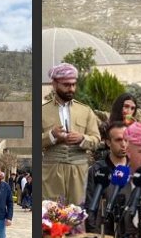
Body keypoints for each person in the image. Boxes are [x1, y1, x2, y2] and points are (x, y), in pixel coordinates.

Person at [41, 63, 101, 206]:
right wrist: (51, 136)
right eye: (66, 85)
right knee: (51, 215)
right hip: (52, 171)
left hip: (79, 170)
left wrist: (82, 139)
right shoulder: (42, 111)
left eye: (74, 85)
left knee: (77, 215)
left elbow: (96, 140)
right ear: (54, 84)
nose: (71, 89)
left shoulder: (85, 111)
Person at [85, 122, 129, 233]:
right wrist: (92, 234)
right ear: (108, 142)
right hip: (104, 232)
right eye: (118, 140)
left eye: (126, 139)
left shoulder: (136, 168)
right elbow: (90, 205)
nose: (123, 144)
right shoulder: (97, 170)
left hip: (130, 232)